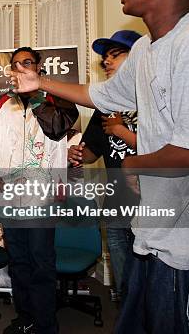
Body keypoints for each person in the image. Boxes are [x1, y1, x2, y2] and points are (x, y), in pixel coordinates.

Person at [11, 0, 189, 334]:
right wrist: (39, 81)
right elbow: (96, 95)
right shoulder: (146, 51)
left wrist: (132, 163)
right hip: (154, 238)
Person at [0, 47, 78, 334]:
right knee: (19, 262)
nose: (21, 69)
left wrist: (36, 97)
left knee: (41, 263)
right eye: (16, 65)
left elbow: (58, 128)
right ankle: (25, 318)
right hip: (10, 197)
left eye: (27, 63)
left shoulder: (58, 100)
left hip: (42, 198)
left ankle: (46, 324)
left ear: (39, 67)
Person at [68, 30, 142, 303]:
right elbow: (92, 153)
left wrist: (121, 130)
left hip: (149, 204)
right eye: (105, 59)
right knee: (123, 282)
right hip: (115, 202)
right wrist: (78, 152)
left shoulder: (154, 98)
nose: (107, 62)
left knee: (148, 281)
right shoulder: (105, 105)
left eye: (115, 56)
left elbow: (169, 152)